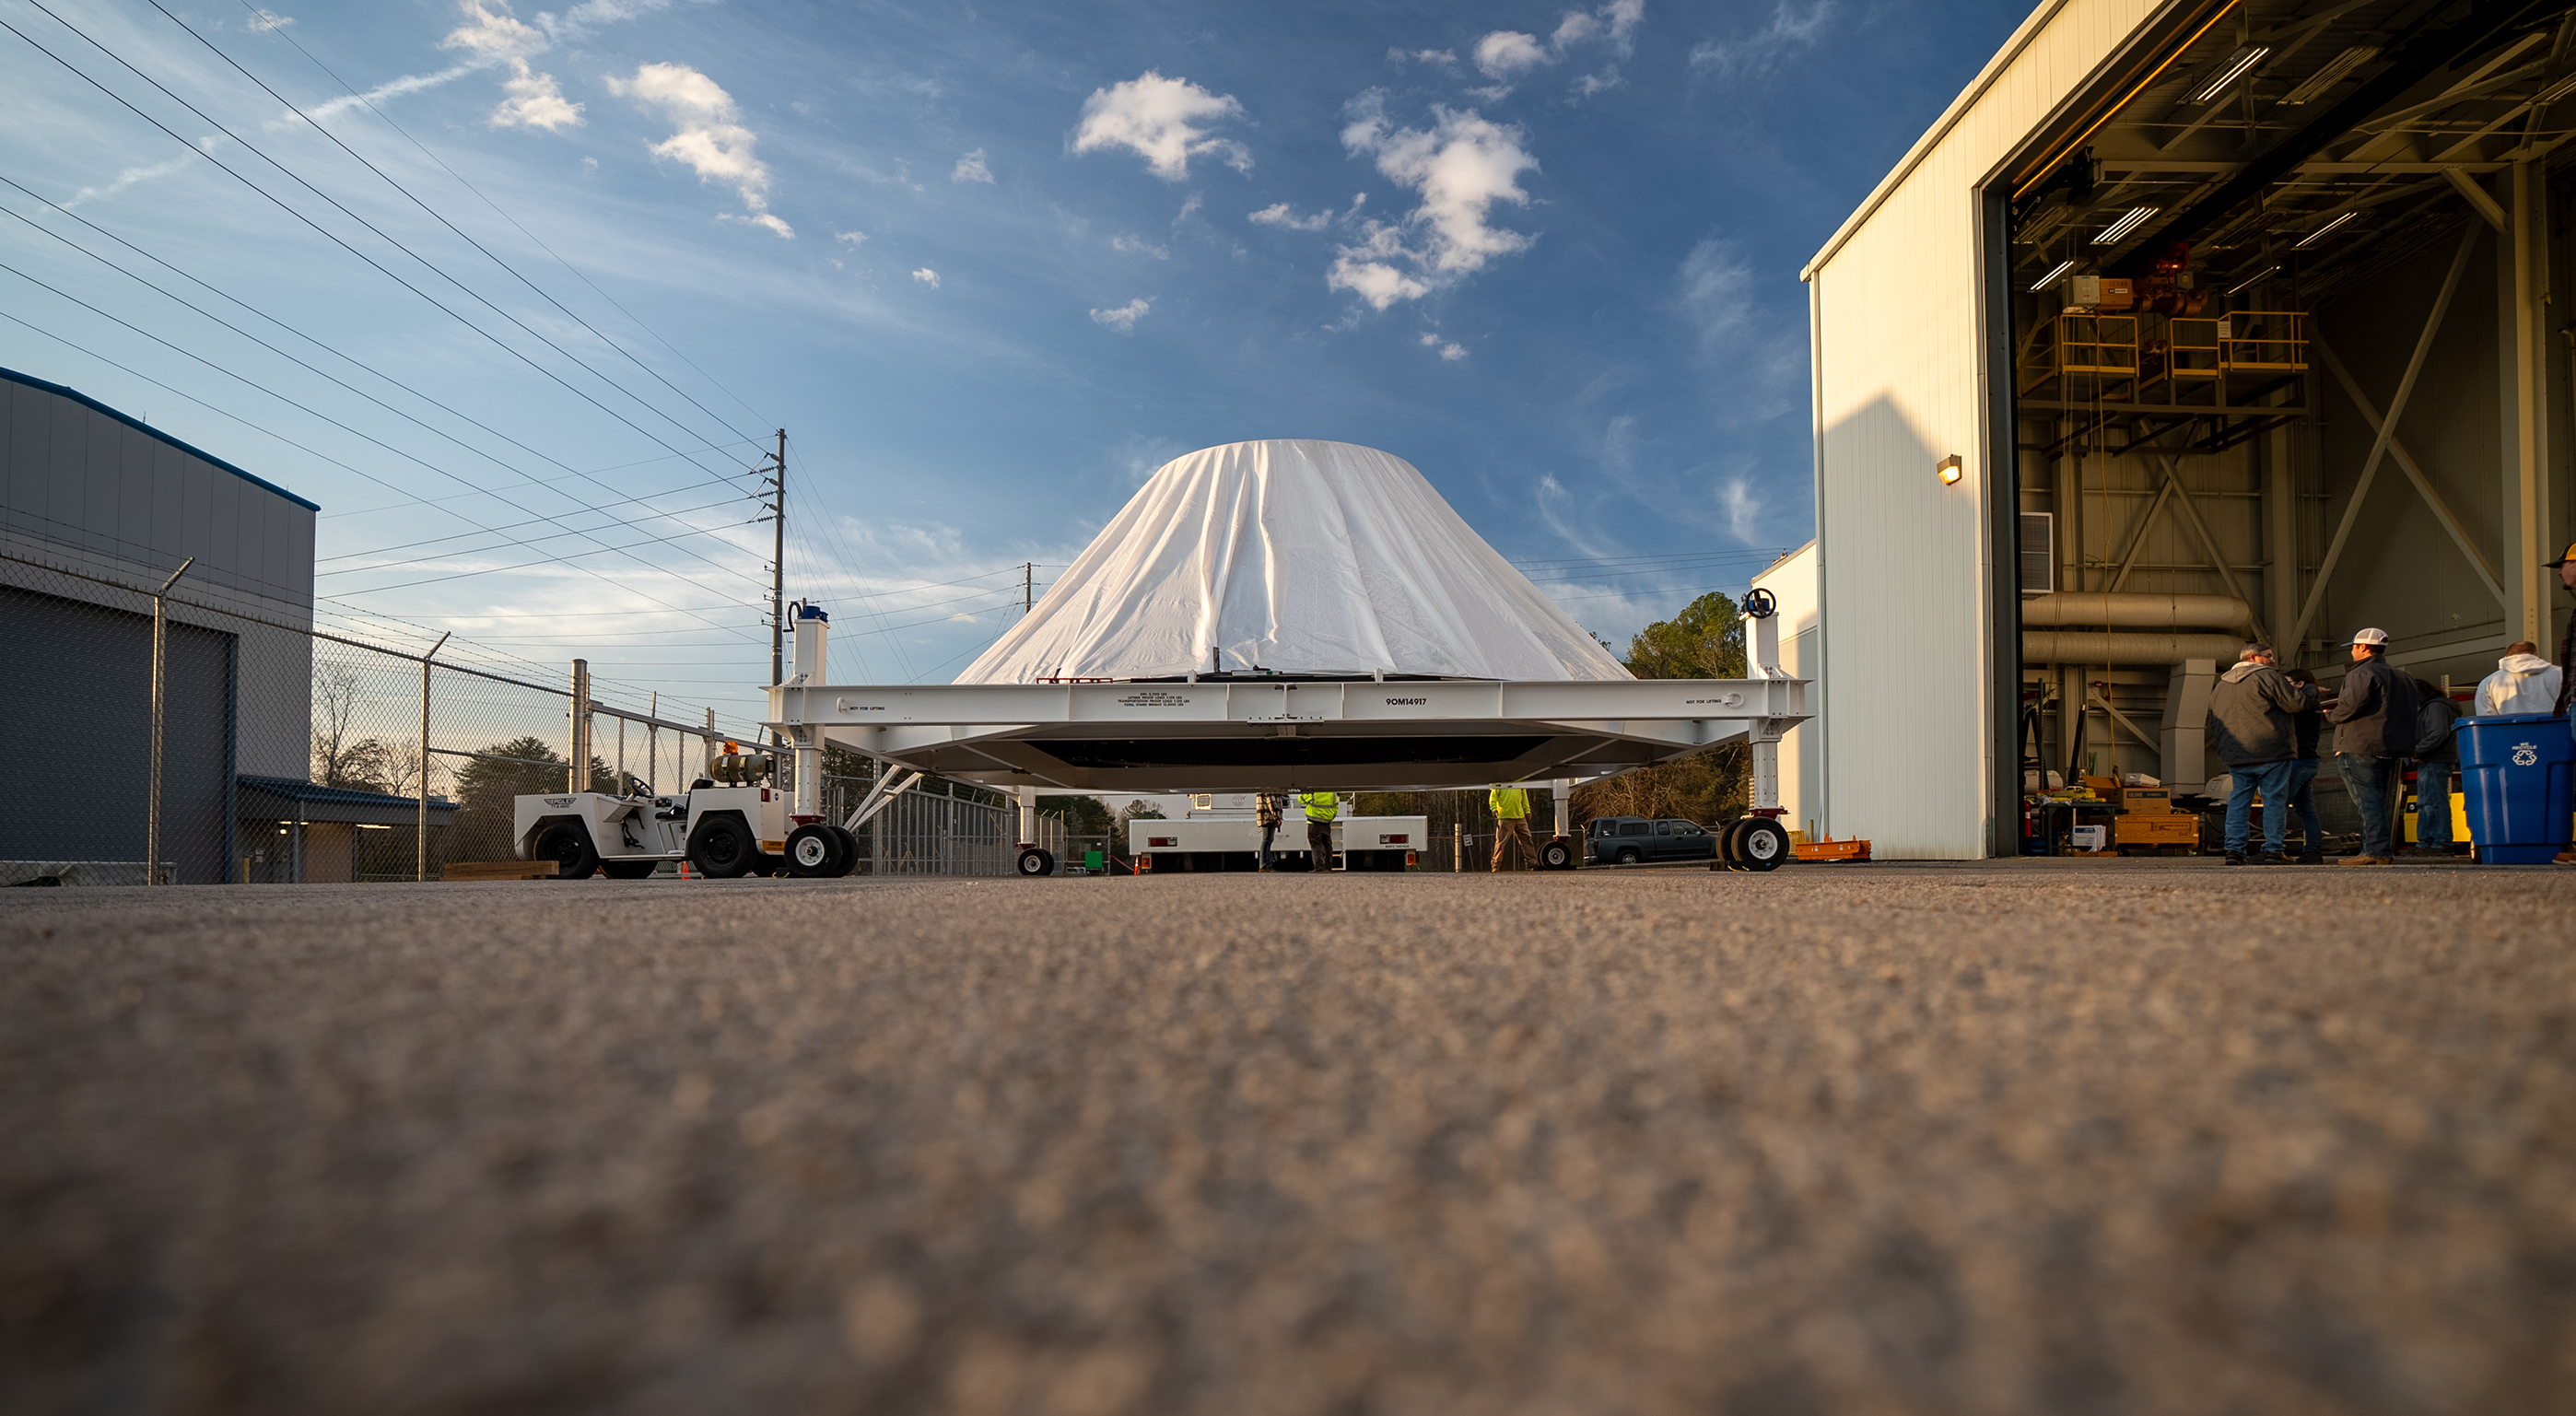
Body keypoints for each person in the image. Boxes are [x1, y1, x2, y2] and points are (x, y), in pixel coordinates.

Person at [2205, 641, 2314, 864]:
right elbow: (2295, 704)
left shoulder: (2220, 686)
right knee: (2274, 800)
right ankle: (2273, 850)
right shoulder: (2268, 676)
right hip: (2272, 750)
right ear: (2253, 657)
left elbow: (2213, 722)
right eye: (2268, 655)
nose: (2272, 660)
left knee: (2238, 801)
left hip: (2236, 754)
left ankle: (2234, 851)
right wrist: (2310, 688)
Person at [2326, 627, 2418, 865]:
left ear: (2363, 647)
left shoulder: (2361, 673)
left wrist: (2330, 716)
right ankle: (2374, 850)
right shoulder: (2403, 677)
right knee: (2377, 800)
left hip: (2361, 745)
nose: (2353, 652)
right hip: (2390, 747)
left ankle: (2375, 851)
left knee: (2367, 802)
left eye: (2354, 647)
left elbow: (2349, 707)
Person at [2400, 677, 2461, 859]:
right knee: (2428, 803)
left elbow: (2438, 733)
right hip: (2433, 760)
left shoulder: (2435, 707)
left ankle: (2439, 843)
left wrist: (2416, 752)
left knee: (2432, 803)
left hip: (2433, 760)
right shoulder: (2440, 705)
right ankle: (2428, 843)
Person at [2282, 668, 2328, 863]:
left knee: (2279, 805)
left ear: (2300, 684)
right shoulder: (2314, 703)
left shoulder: (2301, 705)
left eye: (2287, 683)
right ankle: (2313, 850)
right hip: (2309, 760)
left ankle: (2273, 849)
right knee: (2306, 809)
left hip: (2297, 761)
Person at [2474, 640, 2561, 717]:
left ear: (2506, 656)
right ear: (2537, 654)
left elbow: (2486, 717)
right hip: (2555, 731)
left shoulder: (2489, 682)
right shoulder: (2561, 674)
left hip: (2509, 733)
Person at [1489, 782, 1533, 872]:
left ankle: (1532, 863)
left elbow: (1524, 798)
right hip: (1505, 817)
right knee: (1501, 842)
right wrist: (1493, 808)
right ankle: (1496, 865)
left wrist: (1527, 810)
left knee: (1526, 839)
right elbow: (1493, 797)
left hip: (1520, 817)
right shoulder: (1499, 783)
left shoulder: (1520, 783)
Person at [1294, 789, 1339, 872]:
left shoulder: (1313, 790)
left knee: (1316, 845)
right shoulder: (1332, 792)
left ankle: (1319, 867)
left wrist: (1303, 791)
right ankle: (1328, 867)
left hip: (1314, 823)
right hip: (1326, 823)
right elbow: (1336, 806)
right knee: (1327, 845)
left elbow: (1301, 800)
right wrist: (1330, 817)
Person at [1254, 791, 1288, 872]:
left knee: (1268, 840)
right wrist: (1277, 816)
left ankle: (1267, 864)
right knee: (1266, 840)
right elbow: (1271, 802)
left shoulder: (1265, 787)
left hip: (1267, 816)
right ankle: (1264, 865)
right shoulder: (1269, 788)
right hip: (1268, 816)